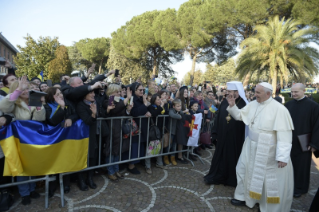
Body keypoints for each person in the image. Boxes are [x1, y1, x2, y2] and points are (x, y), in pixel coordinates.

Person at [226, 82, 294, 212]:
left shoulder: (279, 109)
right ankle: (245, 197)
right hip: (250, 145)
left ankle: (268, 206)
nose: (254, 94)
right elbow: (240, 116)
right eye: (255, 92)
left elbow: (284, 134)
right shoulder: (253, 104)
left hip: (268, 149)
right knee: (243, 169)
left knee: (267, 179)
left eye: (258, 92)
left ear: (268, 94)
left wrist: (282, 157)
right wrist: (232, 106)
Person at [0, 76, 45, 206]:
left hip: (32, 140)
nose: (27, 91)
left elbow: (39, 119)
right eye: (24, 89)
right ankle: (24, 193)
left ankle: (32, 189)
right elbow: (4, 107)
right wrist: (19, 89)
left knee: (31, 165)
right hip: (18, 141)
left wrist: (38, 104)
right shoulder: (13, 103)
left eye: (28, 89)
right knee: (21, 167)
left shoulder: (33, 101)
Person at [204, 81, 247, 187]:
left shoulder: (244, 104)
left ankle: (231, 178)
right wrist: (215, 133)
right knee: (221, 157)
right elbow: (218, 117)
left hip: (235, 138)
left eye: (230, 91)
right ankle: (218, 176)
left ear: (237, 92)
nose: (227, 93)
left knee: (232, 157)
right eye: (227, 91)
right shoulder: (224, 102)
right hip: (222, 135)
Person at [285, 83, 319, 198]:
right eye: (292, 92)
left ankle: (299, 188)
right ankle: (287, 186)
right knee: (287, 164)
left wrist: (314, 143)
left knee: (301, 167)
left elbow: (317, 126)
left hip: (304, 142)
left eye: (296, 92)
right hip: (288, 141)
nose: (293, 94)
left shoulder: (313, 106)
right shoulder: (288, 104)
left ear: (304, 91)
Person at [44, 87, 79, 195]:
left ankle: (66, 183)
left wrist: (70, 119)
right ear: (51, 96)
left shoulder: (67, 103)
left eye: (61, 93)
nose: (61, 95)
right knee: (53, 161)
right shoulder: (46, 106)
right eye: (57, 94)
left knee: (65, 159)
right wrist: (62, 108)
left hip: (65, 138)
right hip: (52, 139)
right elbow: (53, 121)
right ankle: (52, 185)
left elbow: (76, 114)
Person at [76, 90, 108, 190]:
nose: (93, 95)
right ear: (84, 94)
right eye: (90, 93)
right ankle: (81, 180)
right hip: (84, 136)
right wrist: (93, 114)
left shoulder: (96, 103)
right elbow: (87, 120)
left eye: (94, 93)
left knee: (93, 156)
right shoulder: (80, 105)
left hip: (95, 134)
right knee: (84, 157)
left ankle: (90, 178)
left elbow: (102, 115)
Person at [104, 84, 132, 182]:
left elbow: (123, 114)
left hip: (118, 129)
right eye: (117, 92)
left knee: (116, 152)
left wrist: (128, 110)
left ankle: (116, 170)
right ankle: (110, 172)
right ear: (111, 92)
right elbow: (115, 109)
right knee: (110, 151)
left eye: (120, 92)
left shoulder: (119, 101)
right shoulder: (108, 101)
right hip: (111, 129)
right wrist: (127, 98)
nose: (119, 93)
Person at [128, 83, 151, 174]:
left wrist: (148, 111)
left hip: (143, 126)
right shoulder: (132, 99)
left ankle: (139, 161)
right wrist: (145, 105)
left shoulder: (142, 98)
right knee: (135, 146)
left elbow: (147, 109)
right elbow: (134, 112)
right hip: (135, 127)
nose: (142, 91)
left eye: (143, 90)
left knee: (141, 145)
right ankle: (131, 165)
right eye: (140, 90)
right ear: (135, 90)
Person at [147, 94, 167, 171]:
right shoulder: (151, 107)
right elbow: (154, 114)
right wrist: (161, 105)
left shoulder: (160, 107)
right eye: (158, 100)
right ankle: (148, 166)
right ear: (153, 100)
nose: (159, 101)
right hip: (153, 130)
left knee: (159, 147)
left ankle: (159, 163)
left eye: (160, 99)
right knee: (150, 148)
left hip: (159, 129)